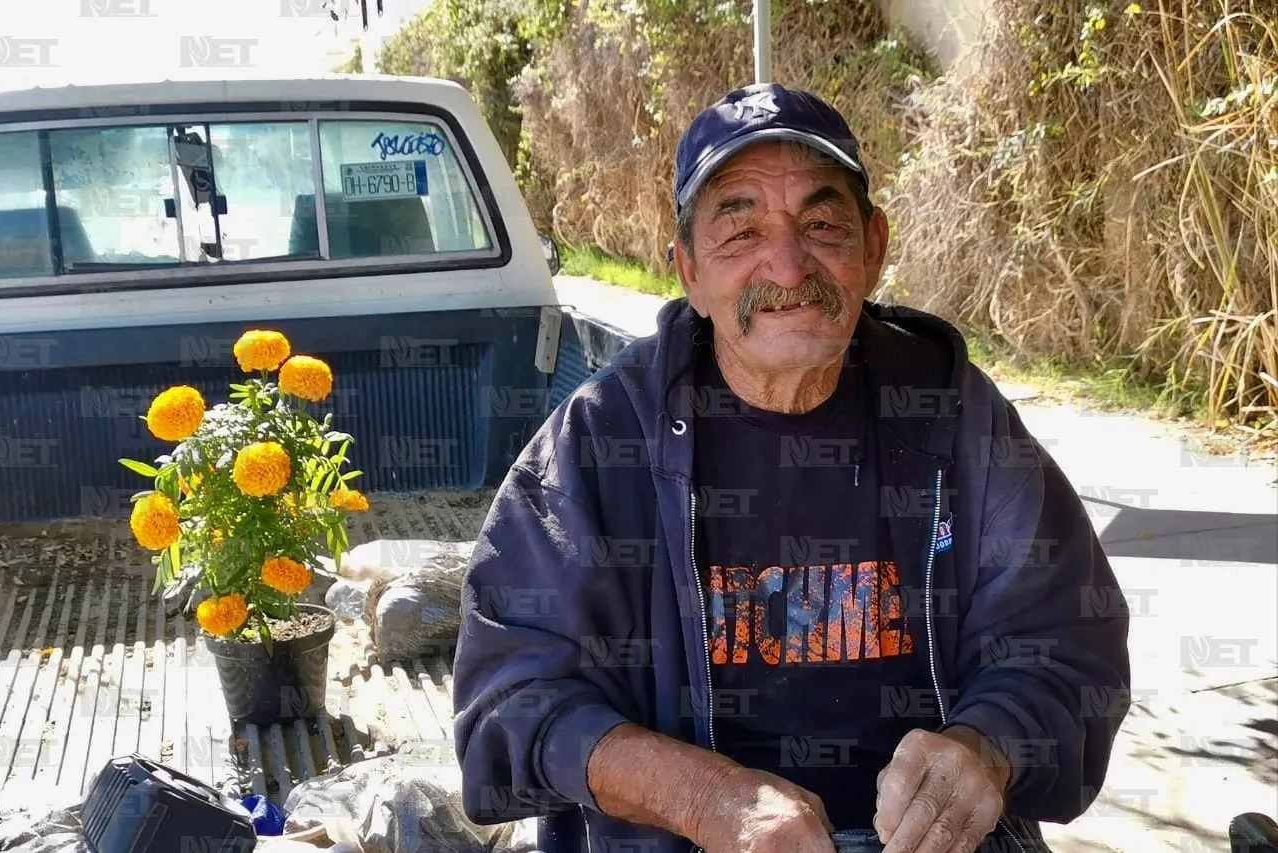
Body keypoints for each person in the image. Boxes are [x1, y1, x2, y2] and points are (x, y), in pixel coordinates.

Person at [451, 82, 1132, 853]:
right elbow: (507, 700)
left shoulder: (953, 412)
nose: (786, 263)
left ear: (873, 249)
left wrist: (987, 743)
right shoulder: (602, 439)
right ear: (688, 271)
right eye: (739, 233)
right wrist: (704, 798)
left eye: (822, 223)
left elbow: (1071, 643)